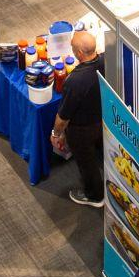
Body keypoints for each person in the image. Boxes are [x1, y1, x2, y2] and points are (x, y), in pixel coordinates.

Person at [50, 30, 104, 206]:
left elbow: (63, 117)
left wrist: (56, 134)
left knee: (86, 162)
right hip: (103, 119)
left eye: (72, 47)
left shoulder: (75, 81)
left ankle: (95, 196)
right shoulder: (107, 61)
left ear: (79, 53)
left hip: (82, 130)